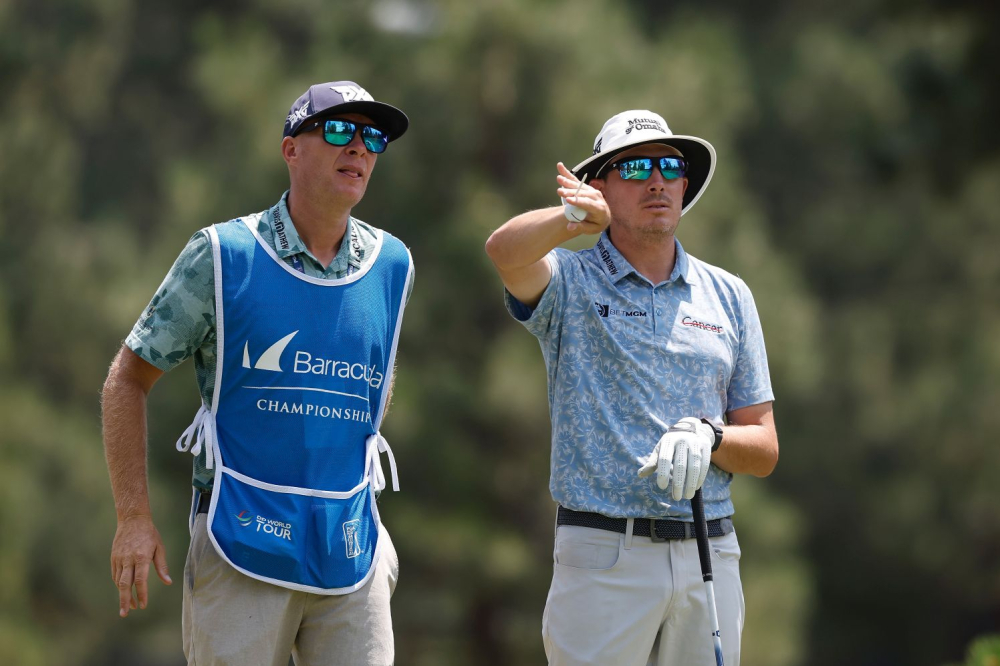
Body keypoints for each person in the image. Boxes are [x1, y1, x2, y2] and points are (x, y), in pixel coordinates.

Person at [101, 80, 414, 666]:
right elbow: (127, 378)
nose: (359, 149)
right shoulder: (224, 254)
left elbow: (374, 378)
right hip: (241, 537)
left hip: (350, 548)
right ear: (291, 150)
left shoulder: (392, 263)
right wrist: (133, 518)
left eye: (372, 138)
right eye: (340, 131)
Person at [484, 110, 778, 666]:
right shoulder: (570, 280)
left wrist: (710, 436)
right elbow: (504, 250)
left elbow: (763, 446)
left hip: (708, 553)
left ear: (685, 184)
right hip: (602, 554)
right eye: (635, 166)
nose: (657, 179)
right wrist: (571, 219)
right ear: (600, 187)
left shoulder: (729, 295)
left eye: (670, 166)